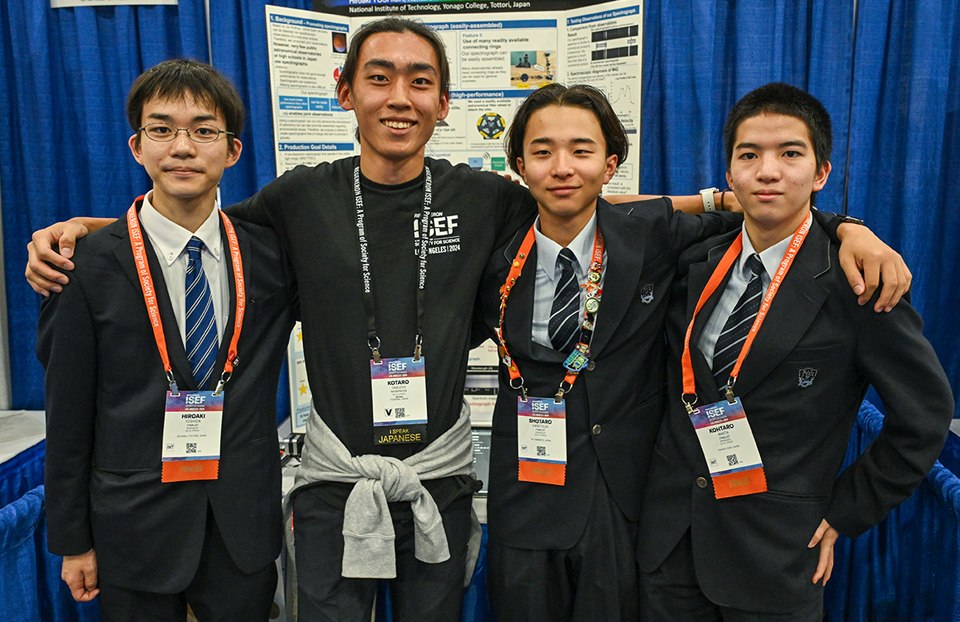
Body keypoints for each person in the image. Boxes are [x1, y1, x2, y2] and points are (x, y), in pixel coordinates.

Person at [25, 19, 911, 622]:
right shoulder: (297, 199)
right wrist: (93, 228)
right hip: (333, 483)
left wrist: (842, 224)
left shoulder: (491, 199)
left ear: (446, 104)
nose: (399, 96)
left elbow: (651, 206)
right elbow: (191, 219)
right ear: (346, 91)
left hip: (449, 475)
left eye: (420, 82)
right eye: (380, 78)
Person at [637, 82, 954, 622]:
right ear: (731, 174)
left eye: (790, 154)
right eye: (749, 155)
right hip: (671, 546)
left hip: (776, 556)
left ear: (821, 173)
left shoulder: (857, 280)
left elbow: (924, 416)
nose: (768, 171)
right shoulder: (696, 258)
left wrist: (846, 512)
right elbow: (592, 209)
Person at [36, 60, 297, 621]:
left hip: (241, 527)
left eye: (204, 131)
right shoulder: (82, 270)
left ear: (232, 151)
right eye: (162, 129)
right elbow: (68, 413)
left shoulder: (272, 259)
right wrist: (72, 540)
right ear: (136, 147)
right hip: (132, 526)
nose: (182, 147)